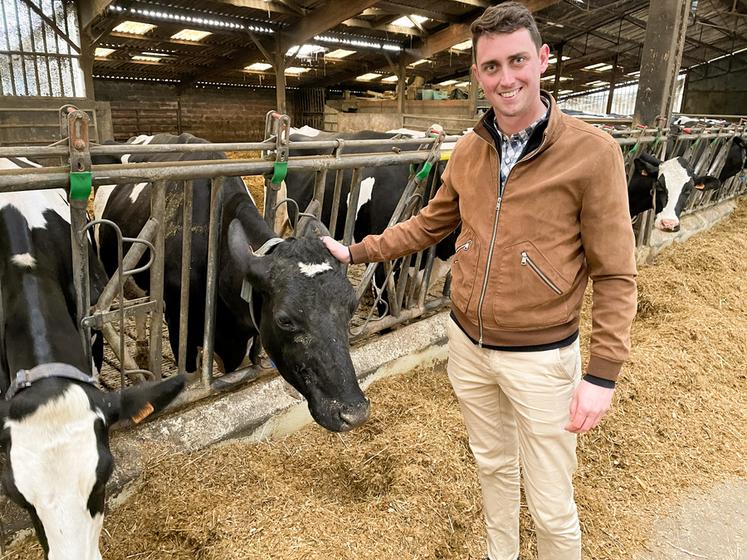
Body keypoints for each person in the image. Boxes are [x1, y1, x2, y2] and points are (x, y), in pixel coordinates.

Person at [322, 3, 637, 559]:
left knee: (551, 501)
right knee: (492, 466)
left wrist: (602, 374)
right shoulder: (468, 150)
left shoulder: (593, 153)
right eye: (492, 67)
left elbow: (614, 272)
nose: (506, 78)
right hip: (468, 346)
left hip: (542, 358)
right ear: (477, 75)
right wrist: (354, 251)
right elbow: (428, 224)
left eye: (518, 60)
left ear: (541, 60)